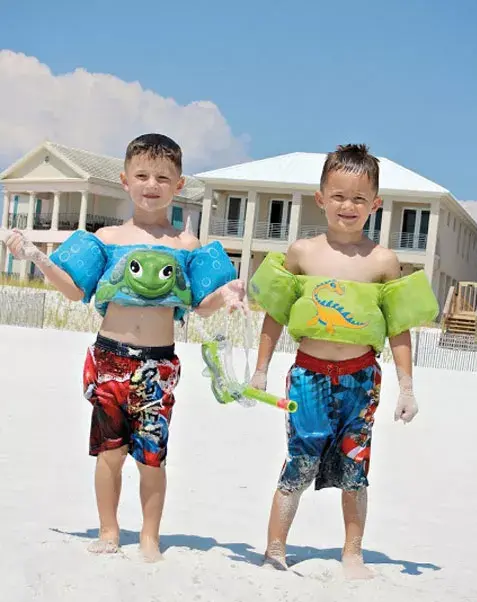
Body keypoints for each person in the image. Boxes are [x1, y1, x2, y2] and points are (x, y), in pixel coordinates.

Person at [3, 133, 245, 562]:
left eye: (163, 177)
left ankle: (150, 538)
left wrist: (227, 293)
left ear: (179, 184)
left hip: (158, 364)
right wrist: (37, 257)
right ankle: (109, 531)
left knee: (152, 457)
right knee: (109, 451)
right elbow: (76, 291)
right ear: (124, 180)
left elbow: (201, 307)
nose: (152, 184)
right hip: (109, 357)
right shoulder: (107, 237)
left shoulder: (188, 246)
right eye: (142, 175)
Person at [246, 143, 439, 579]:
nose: (347, 206)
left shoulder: (384, 261)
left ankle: (353, 552)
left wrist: (407, 387)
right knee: (300, 459)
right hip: (309, 374)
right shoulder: (301, 254)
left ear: (376, 204)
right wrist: (259, 369)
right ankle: (275, 548)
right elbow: (275, 314)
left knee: (355, 465)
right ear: (320, 198)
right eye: (338, 196)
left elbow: (398, 329)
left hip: (360, 379)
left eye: (358, 199)